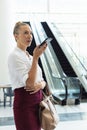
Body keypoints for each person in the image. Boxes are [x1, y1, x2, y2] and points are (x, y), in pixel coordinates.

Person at [8, 21, 47, 130]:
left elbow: (42, 81)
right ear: (16, 36)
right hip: (25, 106)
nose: (29, 36)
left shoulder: (29, 56)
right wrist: (36, 58)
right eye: (25, 33)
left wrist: (40, 85)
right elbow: (30, 83)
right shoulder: (14, 56)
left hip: (37, 105)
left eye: (30, 33)